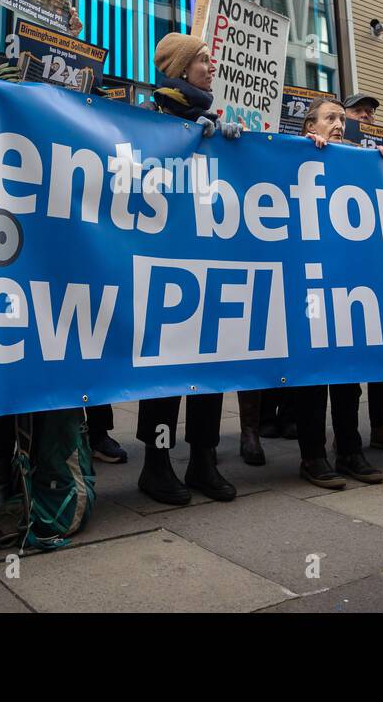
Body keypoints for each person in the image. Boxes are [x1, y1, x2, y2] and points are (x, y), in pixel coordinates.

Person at [134, 33, 239, 506]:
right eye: (202, 60)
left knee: (209, 364)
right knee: (167, 369)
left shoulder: (211, 120)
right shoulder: (151, 112)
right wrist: (183, 134)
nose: (211, 67)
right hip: (166, 261)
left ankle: (203, 458)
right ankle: (156, 464)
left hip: (207, 256)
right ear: (180, 69)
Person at [290, 97, 383, 487]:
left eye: (341, 120)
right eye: (330, 118)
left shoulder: (355, 161)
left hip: (347, 280)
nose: (338, 125)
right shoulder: (296, 155)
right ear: (309, 127)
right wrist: (301, 152)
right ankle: (312, 456)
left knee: (349, 369)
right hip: (310, 281)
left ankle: (350, 450)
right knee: (314, 372)